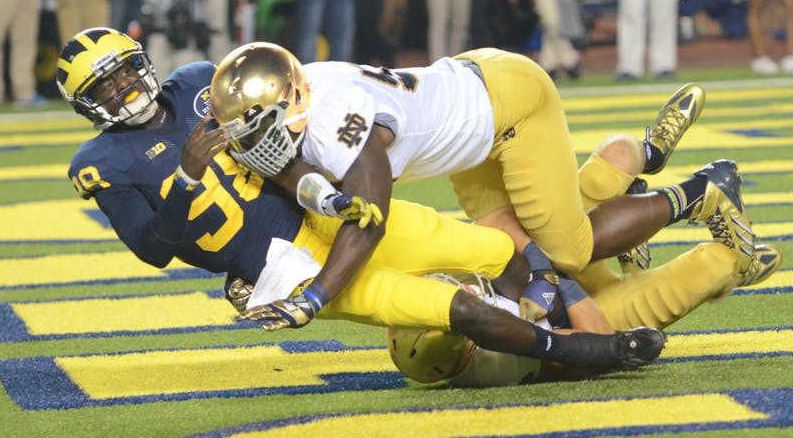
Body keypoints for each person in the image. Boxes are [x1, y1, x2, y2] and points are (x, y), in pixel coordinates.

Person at [55, 26, 667, 375]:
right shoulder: (99, 165)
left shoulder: (197, 82)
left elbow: (274, 160)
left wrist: (321, 195)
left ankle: (564, 289)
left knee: (501, 246)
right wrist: (188, 180)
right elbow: (153, 251)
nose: (124, 88)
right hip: (284, 270)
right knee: (453, 309)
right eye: (104, 86)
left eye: (124, 71)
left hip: (324, 214)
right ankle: (592, 350)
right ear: (87, 104)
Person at [209, 42, 755, 327]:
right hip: (469, 107)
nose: (248, 144)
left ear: (292, 105)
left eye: (256, 128)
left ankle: (704, 189)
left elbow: (367, 221)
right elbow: (300, 183)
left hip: (509, 106)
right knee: (504, 240)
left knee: (568, 249)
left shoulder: (337, 125)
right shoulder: (303, 94)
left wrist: (316, 296)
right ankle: (638, 163)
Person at [388, 237, 783, 387]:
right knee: (714, 262)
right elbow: (595, 343)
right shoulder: (498, 359)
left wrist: (540, 263)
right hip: (591, 312)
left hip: (559, 276)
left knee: (560, 222)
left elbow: (497, 223)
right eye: (460, 307)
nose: (463, 291)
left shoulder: (433, 277)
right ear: (469, 346)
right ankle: (733, 271)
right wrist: (559, 280)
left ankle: (649, 160)